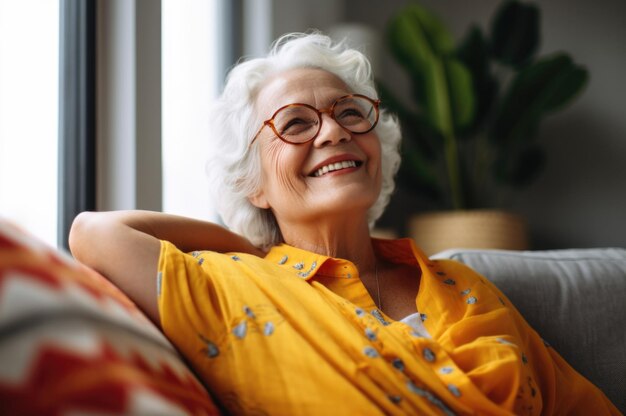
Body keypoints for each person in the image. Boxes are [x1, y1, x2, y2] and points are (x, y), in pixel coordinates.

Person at [69, 33, 619, 415]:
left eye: (349, 112)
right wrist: (253, 244)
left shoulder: (465, 287)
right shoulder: (230, 287)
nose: (333, 132)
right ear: (252, 182)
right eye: (295, 124)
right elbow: (96, 233)